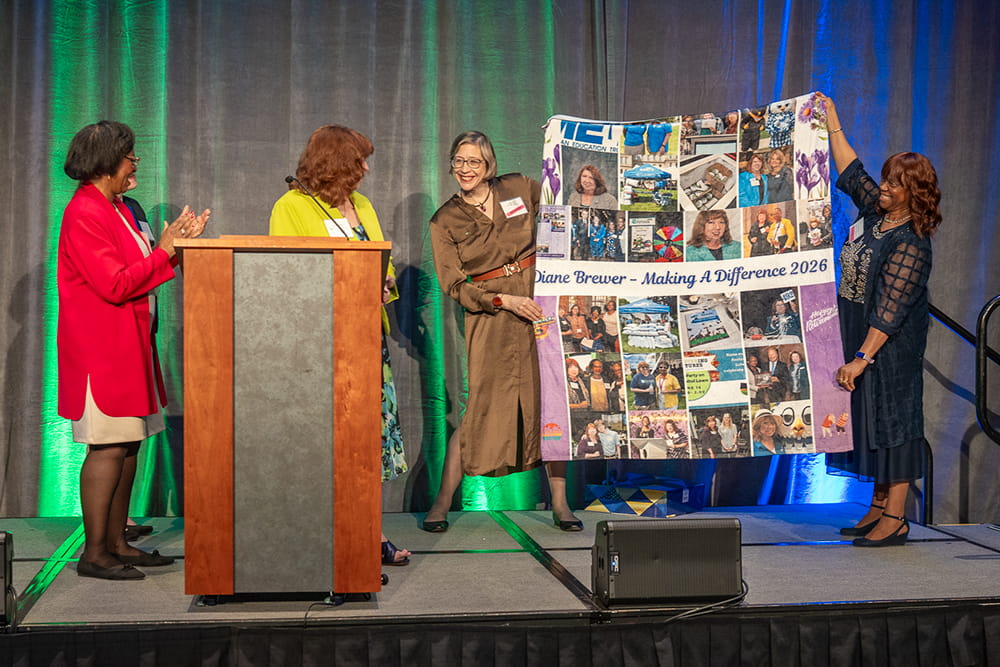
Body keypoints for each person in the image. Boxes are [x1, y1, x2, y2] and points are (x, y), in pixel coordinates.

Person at [58, 121, 210, 580]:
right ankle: (94, 553)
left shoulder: (119, 208)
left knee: (128, 446)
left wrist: (177, 248)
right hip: (102, 349)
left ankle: (118, 542)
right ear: (106, 162)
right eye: (130, 156)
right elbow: (115, 283)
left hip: (131, 343)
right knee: (107, 446)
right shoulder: (85, 211)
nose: (135, 164)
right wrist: (165, 251)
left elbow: (142, 267)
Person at [269, 124, 410, 566]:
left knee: (368, 442)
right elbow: (285, 277)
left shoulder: (362, 205)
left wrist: (386, 282)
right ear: (335, 164)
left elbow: (377, 262)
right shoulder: (290, 208)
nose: (366, 169)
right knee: (332, 445)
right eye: (359, 160)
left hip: (369, 338)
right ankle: (328, 535)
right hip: (322, 345)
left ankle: (371, 532)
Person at [427, 130, 582, 531]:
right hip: (491, 317)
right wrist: (502, 300)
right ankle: (441, 503)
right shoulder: (445, 219)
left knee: (550, 402)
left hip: (541, 303)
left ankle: (561, 504)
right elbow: (454, 285)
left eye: (474, 162)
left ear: (488, 164)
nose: (466, 169)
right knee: (480, 406)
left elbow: (558, 209)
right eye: (459, 161)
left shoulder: (517, 187)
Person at [819, 93, 940, 547]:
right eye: (886, 181)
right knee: (869, 419)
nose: (884, 188)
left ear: (915, 194)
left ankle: (897, 517)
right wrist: (831, 118)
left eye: (895, 185)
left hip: (887, 343)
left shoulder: (911, 241)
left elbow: (891, 308)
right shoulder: (878, 212)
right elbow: (852, 171)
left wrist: (861, 358)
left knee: (895, 420)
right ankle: (876, 506)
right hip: (857, 324)